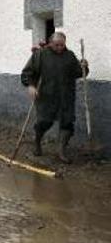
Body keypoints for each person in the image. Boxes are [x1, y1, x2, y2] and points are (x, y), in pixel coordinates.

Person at [21, 32, 88, 163]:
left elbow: (78, 73)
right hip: (46, 96)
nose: (59, 47)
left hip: (66, 96)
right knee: (44, 122)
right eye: (56, 45)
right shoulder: (40, 54)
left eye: (62, 45)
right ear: (50, 43)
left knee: (67, 123)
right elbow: (27, 72)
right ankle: (37, 143)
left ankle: (61, 151)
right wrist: (30, 86)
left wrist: (84, 66)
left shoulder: (70, 56)